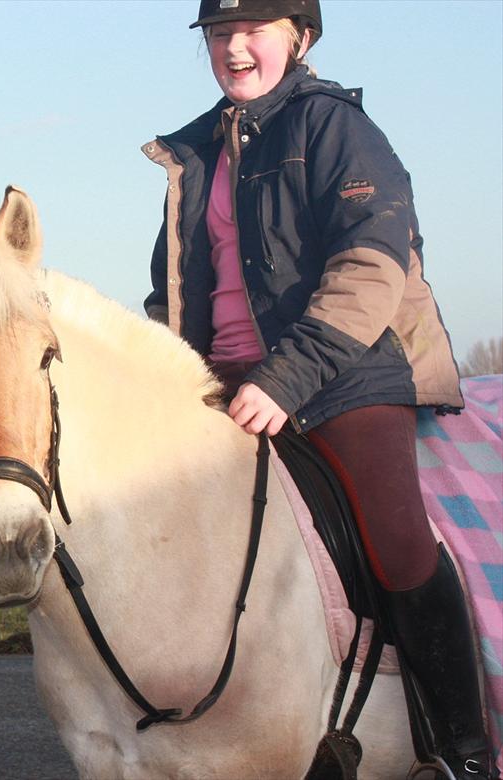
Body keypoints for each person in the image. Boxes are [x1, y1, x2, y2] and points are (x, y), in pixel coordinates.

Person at [142, 1, 495, 777]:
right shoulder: (191, 152)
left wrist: (286, 378)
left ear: (299, 38)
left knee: (400, 542)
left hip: (342, 371)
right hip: (218, 382)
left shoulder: (335, 127)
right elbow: (167, 295)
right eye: (219, 33)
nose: (235, 47)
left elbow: (372, 263)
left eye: (255, 31)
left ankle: (465, 750)